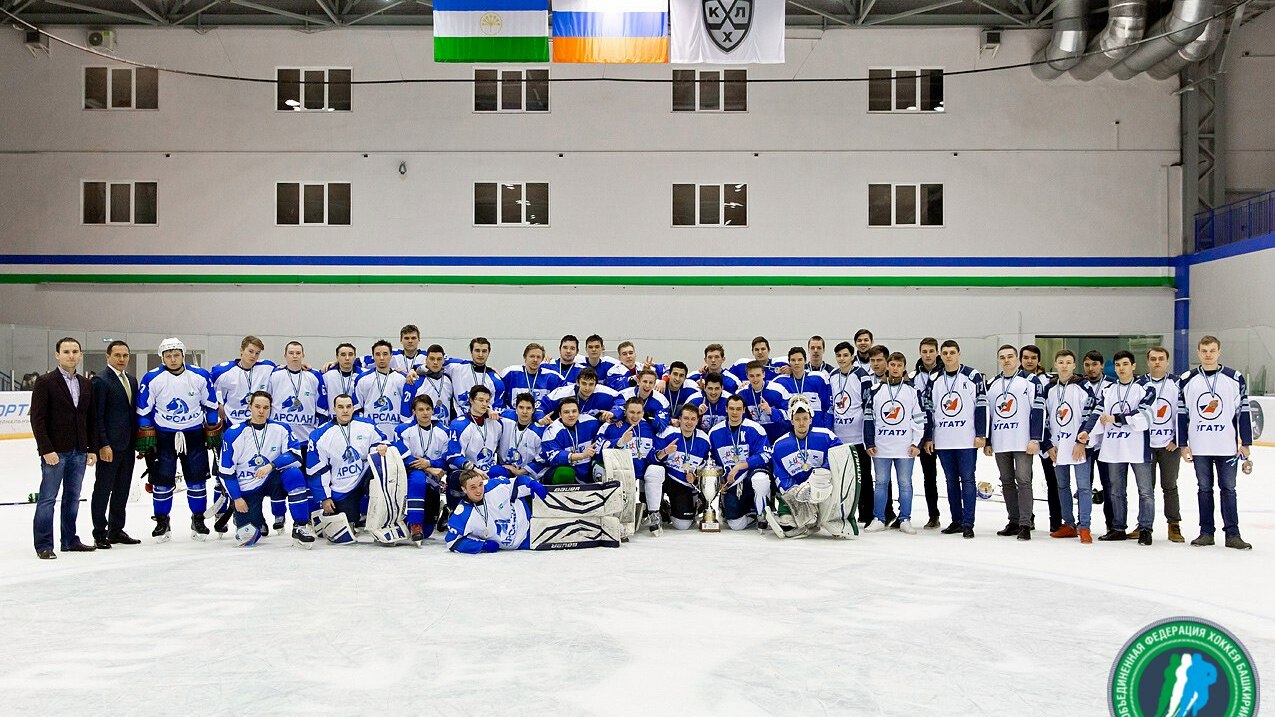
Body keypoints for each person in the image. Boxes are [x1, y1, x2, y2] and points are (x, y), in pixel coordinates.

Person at [135, 337, 221, 542]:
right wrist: (146, 431)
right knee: (162, 482)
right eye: (168, 356)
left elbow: (211, 405)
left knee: (197, 481)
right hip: (164, 437)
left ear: (183, 355)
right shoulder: (152, 378)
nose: (173, 359)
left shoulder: (199, 375)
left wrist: (211, 428)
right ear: (162, 358)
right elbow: (143, 410)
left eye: (176, 355)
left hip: (194, 435)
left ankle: (198, 519)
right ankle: (162, 521)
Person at [1178, 336, 1254, 550]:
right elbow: (1181, 413)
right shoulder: (1187, 379)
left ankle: (1233, 534)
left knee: (1228, 489)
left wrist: (1246, 442)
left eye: (1212, 350)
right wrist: (1183, 444)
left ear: (1219, 351)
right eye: (1204, 351)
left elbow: (1243, 411)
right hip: (1200, 446)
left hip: (1226, 446)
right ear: (1198, 352)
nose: (1208, 355)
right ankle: (1206, 532)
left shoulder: (1234, 378)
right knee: (1204, 489)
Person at [30, 337, 99, 559]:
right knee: (48, 498)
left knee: (72, 497)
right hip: (55, 452)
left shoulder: (86, 383)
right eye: (66, 351)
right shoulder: (45, 382)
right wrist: (46, 449)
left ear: (80, 355)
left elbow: (91, 419)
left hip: (79, 451)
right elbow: (38, 419)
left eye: (75, 351)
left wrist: (92, 448)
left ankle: (69, 540)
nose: (71, 355)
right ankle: (44, 545)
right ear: (57, 355)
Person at [218, 391, 315, 547]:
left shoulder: (281, 428)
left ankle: (300, 526)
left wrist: (271, 465)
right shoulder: (234, 433)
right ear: (249, 407)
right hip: (247, 486)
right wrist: (236, 498)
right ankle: (257, 518)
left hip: (272, 479)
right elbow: (225, 472)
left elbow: (296, 455)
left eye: (265, 407)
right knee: (247, 539)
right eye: (257, 407)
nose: (261, 411)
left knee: (294, 475)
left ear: (270, 408)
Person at [921, 339, 986, 539]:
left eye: (952, 352)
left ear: (959, 354)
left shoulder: (972, 376)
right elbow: (929, 410)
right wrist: (929, 437)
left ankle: (968, 523)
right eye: (945, 353)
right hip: (944, 440)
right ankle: (956, 520)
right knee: (950, 481)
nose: (948, 356)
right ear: (941, 355)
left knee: (967, 480)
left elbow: (981, 405)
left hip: (966, 439)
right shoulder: (935, 379)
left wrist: (981, 434)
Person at [1093, 351, 1157, 545]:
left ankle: (1145, 529)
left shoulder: (1145, 387)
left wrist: (1117, 418)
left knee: (1145, 491)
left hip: (1138, 448)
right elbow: (1098, 414)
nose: (1121, 368)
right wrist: (1086, 432)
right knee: (1116, 490)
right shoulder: (1108, 390)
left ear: (1133, 366)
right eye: (1118, 365)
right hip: (1114, 447)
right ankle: (1118, 528)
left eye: (1125, 364)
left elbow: (1144, 416)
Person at [305, 394, 391, 534]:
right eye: (340, 407)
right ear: (334, 409)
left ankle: (385, 518)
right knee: (347, 526)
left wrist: (380, 447)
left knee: (382, 469)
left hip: (364, 476)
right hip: (342, 488)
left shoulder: (367, 425)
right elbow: (316, 471)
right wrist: (324, 498)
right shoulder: (319, 435)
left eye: (348, 406)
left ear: (353, 408)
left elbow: (381, 442)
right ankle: (325, 516)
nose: (345, 410)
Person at [265, 341, 328, 532]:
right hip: (281, 441)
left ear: (303, 355)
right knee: (278, 479)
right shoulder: (275, 375)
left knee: (306, 479)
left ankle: (308, 516)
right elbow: (265, 402)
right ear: (285, 355)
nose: (294, 356)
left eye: (298, 353)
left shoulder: (313, 376)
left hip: (305, 440)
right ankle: (279, 514)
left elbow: (322, 409)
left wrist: (318, 435)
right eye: (291, 353)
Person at [985, 344, 1045, 541]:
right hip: (1001, 440)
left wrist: (1035, 438)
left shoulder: (1030, 380)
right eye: (1002, 357)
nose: (1006, 360)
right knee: (1006, 481)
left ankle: (1026, 523)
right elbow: (988, 414)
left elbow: (1038, 410)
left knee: (1024, 480)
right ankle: (1014, 520)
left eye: (1010, 356)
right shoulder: (993, 383)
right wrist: (988, 441)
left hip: (1022, 441)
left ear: (1017, 359)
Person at [1040, 350, 1101, 543]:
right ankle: (1068, 524)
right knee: (1062, 485)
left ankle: (1085, 526)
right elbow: (1042, 417)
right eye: (1061, 362)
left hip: (1078, 446)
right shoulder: (1049, 389)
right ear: (1055, 365)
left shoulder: (1083, 386)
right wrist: (1047, 444)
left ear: (1074, 365)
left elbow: (1093, 413)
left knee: (1084, 487)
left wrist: (1081, 441)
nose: (1064, 365)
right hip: (1058, 446)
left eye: (1068, 362)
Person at [864, 352, 926, 534]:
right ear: (888, 366)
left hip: (905, 447)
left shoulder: (912, 391)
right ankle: (879, 518)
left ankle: (905, 519)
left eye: (899, 365)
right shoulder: (876, 390)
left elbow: (919, 419)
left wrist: (916, 444)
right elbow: (869, 418)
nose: (895, 368)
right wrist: (869, 442)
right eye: (892, 365)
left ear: (904, 368)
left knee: (905, 483)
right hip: (881, 446)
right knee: (881, 483)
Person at [769, 397, 847, 538]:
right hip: (797, 493)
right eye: (797, 419)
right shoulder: (780, 445)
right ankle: (800, 519)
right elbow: (780, 473)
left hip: (822, 489)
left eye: (805, 418)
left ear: (811, 419)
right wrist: (793, 491)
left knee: (831, 522)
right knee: (787, 523)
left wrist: (822, 473)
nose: (801, 423)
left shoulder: (826, 436)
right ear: (791, 421)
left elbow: (839, 453)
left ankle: (827, 517)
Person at [828, 340, 885, 526]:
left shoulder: (862, 375)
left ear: (852, 357)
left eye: (845, 355)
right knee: (843, 477)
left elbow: (868, 406)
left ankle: (867, 514)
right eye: (838, 356)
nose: (842, 359)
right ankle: (845, 512)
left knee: (864, 477)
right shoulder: (832, 376)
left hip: (858, 437)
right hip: (839, 438)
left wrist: (868, 437)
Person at [89, 339, 140, 549]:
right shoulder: (100, 381)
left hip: (128, 445)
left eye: (125, 355)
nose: (122, 359)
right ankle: (99, 532)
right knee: (103, 489)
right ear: (108, 356)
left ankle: (116, 530)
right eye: (117, 355)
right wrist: (103, 444)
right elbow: (97, 416)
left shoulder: (131, 380)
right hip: (109, 446)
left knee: (122, 489)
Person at [707, 394, 773, 531]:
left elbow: (766, 455)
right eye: (732, 408)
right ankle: (751, 514)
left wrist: (740, 466)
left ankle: (762, 515)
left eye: (738, 409)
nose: (735, 412)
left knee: (760, 479)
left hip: (750, 475)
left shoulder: (755, 428)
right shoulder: (714, 433)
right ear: (726, 409)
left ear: (743, 410)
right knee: (735, 525)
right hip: (732, 482)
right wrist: (719, 482)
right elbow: (711, 462)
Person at [391, 394, 451, 543]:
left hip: (433, 479)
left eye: (428, 409)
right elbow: (403, 457)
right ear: (414, 411)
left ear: (433, 410)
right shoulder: (402, 429)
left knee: (428, 531)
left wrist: (429, 463)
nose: (425, 413)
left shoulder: (444, 432)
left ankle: (416, 520)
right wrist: (428, 468)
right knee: (418, 477)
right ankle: (415, 524)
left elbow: (446, 460)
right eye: (421, 409)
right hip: (409, 474)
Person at [444, 468, 548, 553]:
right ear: (464, 489)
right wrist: (482, 546)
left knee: (497, 470)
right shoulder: (462, 514)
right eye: (473, 487)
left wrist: (531, 483)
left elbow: (518, 481)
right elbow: (452, 542)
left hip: (530, 524)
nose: (479, 490)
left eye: (480, 485)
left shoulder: (494, 486)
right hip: (525, 544)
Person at [1142, 346, 1184, 542]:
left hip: (1169, 445)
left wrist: (1178, 439)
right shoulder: (1140, 383)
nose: (1157, 362)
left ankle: (1173, 525)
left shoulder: (1178, 383)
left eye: (1161, 358)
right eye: (1153, 359)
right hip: (1145, 446)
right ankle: (1144, 525)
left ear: (1167, 362)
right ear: (1148, 362)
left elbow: (1184, 412)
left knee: (1170, 486)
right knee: (1145, 489)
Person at [604, 397, 663, 535]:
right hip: (623, 470)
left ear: (643, 413)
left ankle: (654, 514)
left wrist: (661, 454)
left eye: (638, 413)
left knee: (656, 470)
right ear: (625, 412)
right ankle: (619, 518)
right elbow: (601, 447)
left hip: (642, 468)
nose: (635, 416)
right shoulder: (613, 426)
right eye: (631, 412)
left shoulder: (648, 428)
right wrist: (620, 442)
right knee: (621, 475)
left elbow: (651, 453)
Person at [1020, 344, 1061, 534]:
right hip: (1021, 438)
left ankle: (1056, 521)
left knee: (1052, 481)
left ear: (1039, 360)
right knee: (1024, 479)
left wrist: (1046, 439)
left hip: (1045, 437)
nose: (1029, 361)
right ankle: (1026, 518)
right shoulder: (1014, 379)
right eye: (1026, 357)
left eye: (1033, 358)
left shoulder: (1049, 381)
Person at [652, 404, 714, 531]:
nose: (689, 422)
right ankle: (654, 509)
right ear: (679, 419)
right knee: (653, 471)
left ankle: (675, 507)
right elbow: (651, 459)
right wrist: (665, 452)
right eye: (686, 418)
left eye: (693, 419)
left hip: (684, 483)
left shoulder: (704, 439)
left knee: (682, 525)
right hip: (667, 478)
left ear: (697, 421)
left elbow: (707, 466)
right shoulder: (667, 433)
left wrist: (695, 476)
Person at [445, 385, 510, 506]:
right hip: (468, 471)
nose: (484, 404)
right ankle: (454, 511)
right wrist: (474, 469)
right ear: (471, 400)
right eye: (480, 400)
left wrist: (490, 410)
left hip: (488, 469)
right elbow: (453, 457)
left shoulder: (496, 422)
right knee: (457, 478)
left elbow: (520, 414)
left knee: (501, 472)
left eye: (487, 401)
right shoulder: (459, 425)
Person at [1082, 350, 1116, 534]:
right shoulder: (1079, 384)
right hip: (1085, 443)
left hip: (1106, 443)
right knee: (1084, 485)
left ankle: (1112, 524)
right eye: (1087, 365)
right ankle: (1083, 524)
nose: (1091, 368)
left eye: (1095, 364)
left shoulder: (1112, 384)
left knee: (1109, 485)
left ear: (1102, 365)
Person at [209, 336, 276, 427]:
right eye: (250, 351)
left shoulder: (267, 367)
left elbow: (284, 371)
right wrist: (218, 404)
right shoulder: (223, 371)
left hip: (258, 422)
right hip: (232, 421)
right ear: (241, 350)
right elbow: (207, 387)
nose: (253, 356)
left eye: (257, 353)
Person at [912, 337, 943, 529]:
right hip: (924, 435)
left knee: (953, 477)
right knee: (929, 477)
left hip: (946, 432)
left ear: (937, 352)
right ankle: (933, 515)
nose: (928, 355)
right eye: (924, 351)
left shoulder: (944, 374)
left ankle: (960, 517)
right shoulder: (913, 377)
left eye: (931, 351)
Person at [540, 396, 606, 484]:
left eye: (574, 411)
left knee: (603, 468)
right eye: (566, 412)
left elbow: (605, 428)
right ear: (560, 414)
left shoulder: (591, 422)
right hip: (562, 469)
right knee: (565, 473)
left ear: (579, 412)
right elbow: (553, 457)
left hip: (587, 468)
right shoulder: (552, 430)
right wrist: (581, 455)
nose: (571, 415)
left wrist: (614, 419)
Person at [353, 340, 412, 436]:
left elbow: (409, 409)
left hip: (395, 434)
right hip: (371, 435)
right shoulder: (362, 379)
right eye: (377, 354)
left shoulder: (402, 379)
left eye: (385, 354)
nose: (381, 358)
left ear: (391, 355)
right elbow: (356, 409)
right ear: (373, 356)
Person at [445, 337, 507, 416]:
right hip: (459, 419)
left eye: (484, 351)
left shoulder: (495, 380)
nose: (480, 354)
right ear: (471, 352)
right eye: (477, 350)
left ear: (488, 353)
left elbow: (496, 409)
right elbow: (435, 359)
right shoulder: (456, 367)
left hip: (483, 421)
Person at [774, 347, 831, 430]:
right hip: (792, 431)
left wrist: (827, 428)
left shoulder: (818, 378)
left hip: (817, 429)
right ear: (789, 362)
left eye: (800, 360)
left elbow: (828, 407)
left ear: (805, 361)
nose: (796, 363)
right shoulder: (780, 382)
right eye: (793, 360)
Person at [539, 367, 618, 425]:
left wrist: (613, 413)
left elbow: (620, 401)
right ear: (577, 382)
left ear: (596, 384)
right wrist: (541, 418)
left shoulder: (605, 393)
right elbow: (540, 406)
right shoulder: (562, 393)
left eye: (591, 384)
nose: (587, 388)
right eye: (584, 383)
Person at [737, 361, 792, 443]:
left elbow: (790, 414)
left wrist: (771, 411)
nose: (755, 379)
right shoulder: (741, 393)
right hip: (756, 438)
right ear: (747, 376)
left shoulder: (778, 390)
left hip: (778, 436)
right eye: (751, 376)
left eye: (758, 375)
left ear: (764, 374)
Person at [498, 392, 547, 481]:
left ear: (533, 410)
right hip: (505, 469)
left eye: (528, 408)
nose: (524, 412)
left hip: (527, 474)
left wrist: (520, 472)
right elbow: (485, 412)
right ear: (516, 409)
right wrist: (488, 411)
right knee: (495, 471)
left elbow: (542, 459)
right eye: (521, 407)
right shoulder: (505, 420)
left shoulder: (539, 431)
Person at [502, 342, 565, 407]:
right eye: (532, 356)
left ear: (542, 359)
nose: (535, 360)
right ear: (525, 357)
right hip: (515, 412)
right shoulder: (511, 374)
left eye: (538, 357)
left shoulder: (553, 377)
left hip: (541, 413)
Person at [611, 368, 671, 433]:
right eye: (645, 381)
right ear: (638, 382)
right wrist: (617, 417)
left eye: (651, 383)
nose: (647, 385)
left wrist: (650, 417)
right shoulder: (625, 394)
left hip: (646, 432)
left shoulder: (662, 401)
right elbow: (617, 409)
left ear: (654, 385)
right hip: (624, 430)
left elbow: (662, 426)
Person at [411, 344, 456, 428]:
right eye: (432, 359)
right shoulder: (416, 380)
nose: (435, 362)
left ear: (443, 361)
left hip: (445, 430)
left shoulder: (448, 380)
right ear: (426, 360)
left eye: (439, 359)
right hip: (423, 430)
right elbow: (407, 412)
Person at [322, 343, 360, 413]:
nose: (347, 358)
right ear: (337, 357)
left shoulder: (363, 375)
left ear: (355, 356)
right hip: (334, 417)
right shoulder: (327, 375)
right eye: (343, 355)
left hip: (355, 416)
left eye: (350, 354)